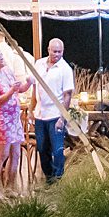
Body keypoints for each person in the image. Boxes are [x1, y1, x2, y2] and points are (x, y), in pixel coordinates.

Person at [0, 43, 26, 197]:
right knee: (2, 154)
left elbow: (19, 88)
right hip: (1, 119)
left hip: (14, 118)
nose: (2, 58)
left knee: (16, 153)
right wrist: (11, 91)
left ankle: (10, 187)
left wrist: (28, 82)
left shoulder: (7, 71)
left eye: (2, 55)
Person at [34, 37, 74, 185]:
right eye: (54, 51)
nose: (57, 54)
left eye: (60, 51)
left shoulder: (65, 69)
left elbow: (67, 95)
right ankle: (49, 177)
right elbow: (33, 85)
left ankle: (58, 179)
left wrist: (63, 118)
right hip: (40, 114)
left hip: (56, 114)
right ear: (48, 50)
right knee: (42, 148)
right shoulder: (39, 64)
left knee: (57, 150)